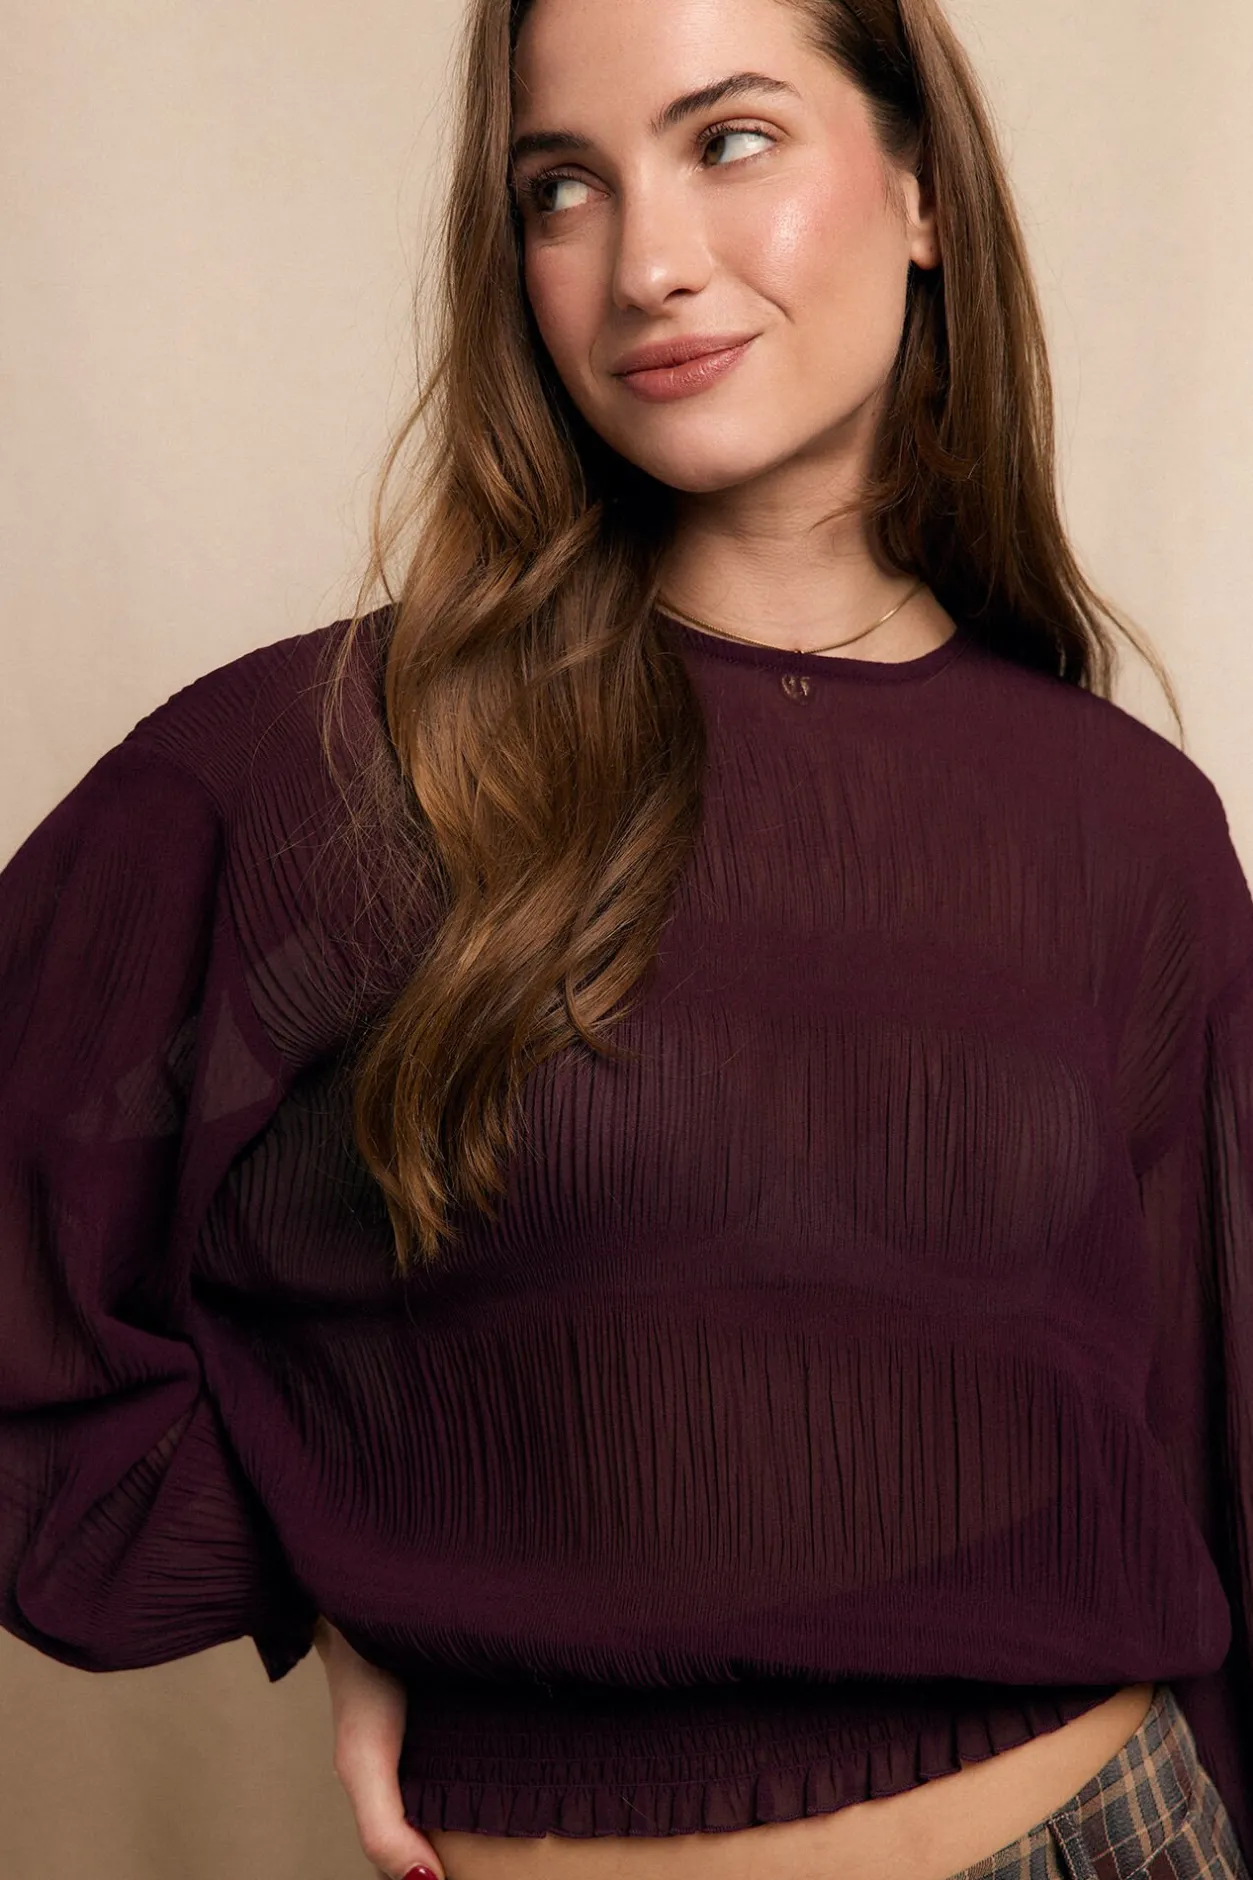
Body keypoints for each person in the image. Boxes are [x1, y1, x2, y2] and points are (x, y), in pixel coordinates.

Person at [1, 0, 1250, 1875]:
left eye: (729, 140)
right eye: (560, 188)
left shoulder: (1129, 829)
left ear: (922, 190)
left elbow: (1212, 1454)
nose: (647, 263)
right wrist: (319, 1564)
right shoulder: (328, 772)